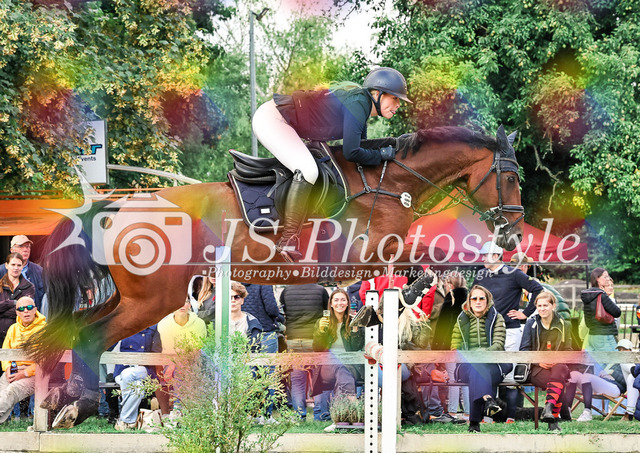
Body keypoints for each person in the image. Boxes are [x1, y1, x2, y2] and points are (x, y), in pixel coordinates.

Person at [252, 67, 412, 262]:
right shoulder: (359, 104)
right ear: (377, 94)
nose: (398, 105)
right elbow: (351, 152)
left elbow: (361, 148)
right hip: (272, 119)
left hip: (282, 120)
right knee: (308, 171)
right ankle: (288, 239)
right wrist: (381, 155)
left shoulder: (361, 107)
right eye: (395, 98)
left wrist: (393, 148)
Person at [473, 241, 543, 421]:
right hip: (487, 331)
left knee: (510, 375)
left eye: (486, 255)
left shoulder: (514, 273)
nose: (482, 258)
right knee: (488, 372)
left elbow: (538, 289)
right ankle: (488, 417)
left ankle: (511, 417)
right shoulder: (481, 275)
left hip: (510, 330)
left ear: (496, 256)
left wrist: (525, 313)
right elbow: (472, 297)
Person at [450, 285, 511, 432]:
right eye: (474, 298)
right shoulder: (461, 319)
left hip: (493, 365)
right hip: (466, 366)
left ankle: (474, 423)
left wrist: (480, 354)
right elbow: (455, 347)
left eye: (481, 298)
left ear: (487, 301)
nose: (478, 302)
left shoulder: (496, 317)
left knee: (476, 371)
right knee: (475, 369)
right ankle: (488, 399)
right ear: (469, 302)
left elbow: (498, 344)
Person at [519, 290, 572, 431]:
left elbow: (568, 350)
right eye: (539, 306)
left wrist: (557, 359)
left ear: (553, 306)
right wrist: (539, 362)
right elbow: (524, 350)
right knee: (558, 382)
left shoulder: (564, 324)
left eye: (545, 305)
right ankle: (552, 419)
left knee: (560, 369)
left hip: (557, 366)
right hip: (536, 369)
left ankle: (548, 409)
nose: (542, 309)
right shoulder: (531, 323)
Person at [280, 283, 329, 421]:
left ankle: (299, 415)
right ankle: (319, 415)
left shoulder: (286, 290)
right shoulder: (320, 290)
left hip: (293, 340)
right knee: (318, 378)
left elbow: (283, 312)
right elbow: (327, 312)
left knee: (297, 380)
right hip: (314, 339)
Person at [311, 289, 364, 403]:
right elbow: (317, 348)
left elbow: (355, 348)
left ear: (348, 303)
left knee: (343, 371)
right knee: (340, 367)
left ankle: (341, 409)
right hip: (327, 367)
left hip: (349, 365)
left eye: (343, 300)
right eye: (336, 300)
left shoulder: (353, 321)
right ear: (331, 304)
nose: (339, 303)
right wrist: (321, 332)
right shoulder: (323, 322)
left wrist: (355, 329)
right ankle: (350, 403)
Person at [0, 296, 46, 424]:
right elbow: (5, 351)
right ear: (17, 312)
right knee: (2, 392)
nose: (25, 311)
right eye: (21, 309)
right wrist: (7, 368)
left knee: (11, 391)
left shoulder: (45, 329)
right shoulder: (13, 328)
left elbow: (45, 360)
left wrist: (24, 373)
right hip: (13, 369)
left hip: (35, 373)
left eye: (29, 307)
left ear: (35, 310)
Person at [431, 271, 470, 421]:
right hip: (466, 345)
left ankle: (452, 412)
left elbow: (442, 327)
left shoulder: (450, 300)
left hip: (451, 345)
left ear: (450, 284)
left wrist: (436, 348)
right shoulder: (469, 299)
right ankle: (468, 412)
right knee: (465, 378)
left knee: (453, 378)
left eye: (446, 283)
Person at [157, 299, 207, 414]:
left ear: (189, 305)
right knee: (181, 370)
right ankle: (179, 410)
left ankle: (180, 410)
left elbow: (196, 348)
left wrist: (181, 355)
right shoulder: (164, 324)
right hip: (171, 364)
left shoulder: (199, 323)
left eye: (185, 301)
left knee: (185, 369)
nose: (181, 305)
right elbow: (169, 349)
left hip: (194, 362)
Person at [111, 325, 163, 431]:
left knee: (128, 375)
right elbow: (108, 345)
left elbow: (156, 352)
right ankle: (129, 422)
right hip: (122, 369)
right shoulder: (125, 325)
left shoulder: (153, 328)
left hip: (144, 370)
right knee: (138, 387)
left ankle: (123, 419)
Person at [0, 235, 44, 311]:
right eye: (21, 246)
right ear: (12, 250)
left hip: (33, 315)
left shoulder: (39, 270)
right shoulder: (1, 271)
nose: (25, 249)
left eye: (28, 247)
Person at [581, 267, 620, 353]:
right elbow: (617, 312)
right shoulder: (601, 295)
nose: (608, 279)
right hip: (604, 335)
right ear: (597, 278)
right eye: (605, 277)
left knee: (598, 361)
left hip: (592, 335)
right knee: (614, 361)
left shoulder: (587, 295)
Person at [0, 253, 35, 345]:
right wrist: (12, 303)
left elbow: (24, 311)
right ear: (6, 265)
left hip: (19, 336)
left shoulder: (29, 287)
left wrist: (2, 311)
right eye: (13, 264)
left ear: (23, 266)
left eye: (19, 265)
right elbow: (19, 309)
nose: (16, 268)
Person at [242, 284, 284, 355]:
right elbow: (271, 309)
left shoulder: (237, 283)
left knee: (248, 360)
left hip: (245, 331)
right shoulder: (264, 282)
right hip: (265, 330)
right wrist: (279, 316)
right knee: (268, 360)